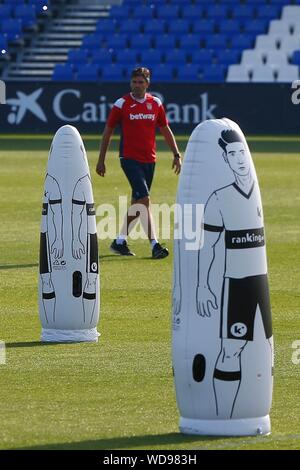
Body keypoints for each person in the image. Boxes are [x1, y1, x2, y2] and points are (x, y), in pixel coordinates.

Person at [196, 129, 273, 419]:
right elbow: (207, 246)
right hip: (237, 284)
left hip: (260, 281)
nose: (239, 159)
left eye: (242, 153)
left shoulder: (256, 189)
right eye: (232, 155)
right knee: (231, 349)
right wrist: (203, 285)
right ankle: (223, 416)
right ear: (226, 160)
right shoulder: (219, 198)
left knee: (265, 347)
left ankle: (255, 412)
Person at [96, 66, 182, 258]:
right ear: (130, 83)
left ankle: (119, 241)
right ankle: (155, 245)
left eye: (141, 82)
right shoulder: (122, 104)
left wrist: (176, 154)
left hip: (150, 159)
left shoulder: (156, 103)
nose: (137, 85)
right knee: (145, 200)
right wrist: (101, 160)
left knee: (137, 203)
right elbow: (107, 132)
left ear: (147, 83)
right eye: (134, 82)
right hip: (129, 158)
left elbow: (165, 129)